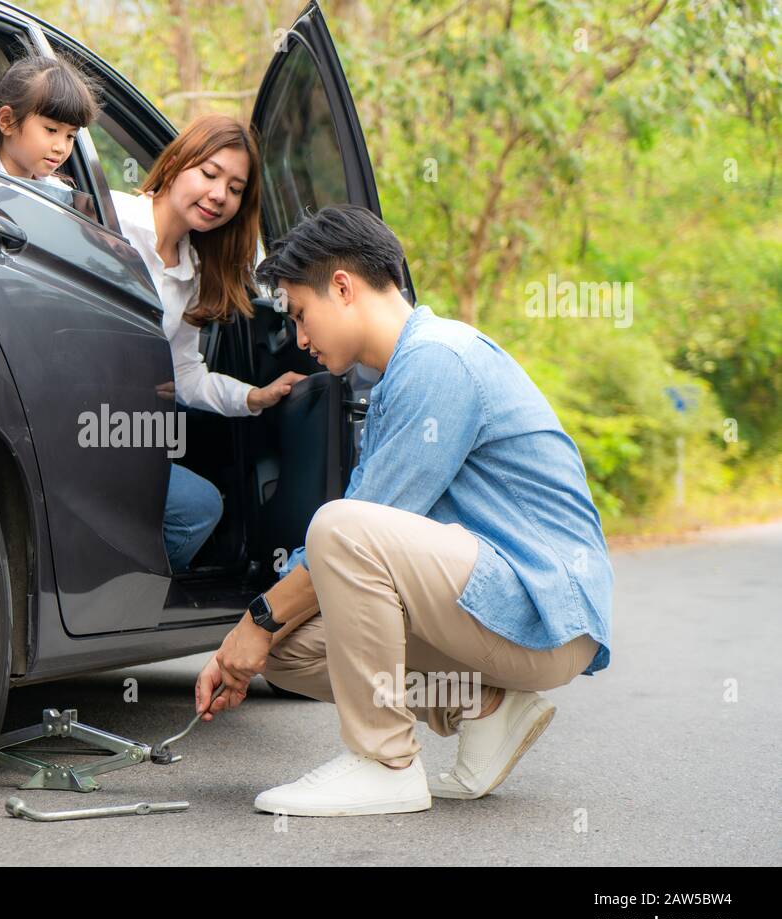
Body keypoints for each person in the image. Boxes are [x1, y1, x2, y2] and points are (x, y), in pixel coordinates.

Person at [193, 205, 614, 817]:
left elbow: (355, 527)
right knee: (286, 649)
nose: (300, 339)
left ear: (343, 287)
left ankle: (384, 763)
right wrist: (258, 633)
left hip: (542, 607)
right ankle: (484, 706)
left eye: (301, 314)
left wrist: (255, 622)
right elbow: (355, 539)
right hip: (492, 602)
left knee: (331, 539)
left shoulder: (439, 360)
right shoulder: (396, 377)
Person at [109, 114, 304, 573]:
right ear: (174, 163)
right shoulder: (108, 217)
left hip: (122, 431)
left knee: (199, 507)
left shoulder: (192, 272)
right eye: (210, 174)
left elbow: (185, 374)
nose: (220, 195)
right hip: (73, 418)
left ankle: (126, 594)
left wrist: (254, 397)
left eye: (235, 189)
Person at [0, 55, 101, 213]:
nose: (61, 148)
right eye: (51, 130)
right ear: (7, 121)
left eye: (70, 136)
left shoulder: (62, 198)